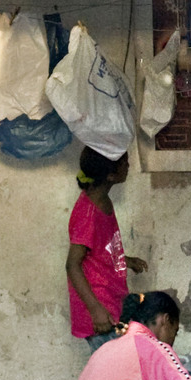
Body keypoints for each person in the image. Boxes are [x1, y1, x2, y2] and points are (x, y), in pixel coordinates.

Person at [64, 147, 144, 355]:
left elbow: (98, 251)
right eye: (124, 162)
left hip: (112, 300)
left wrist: (125, 260)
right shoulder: (88, 214)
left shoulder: (102, 202)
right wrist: (95, 309)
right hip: (101, 310)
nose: (129, 165)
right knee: (113, 374)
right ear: (110, 175)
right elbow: (72, 265)